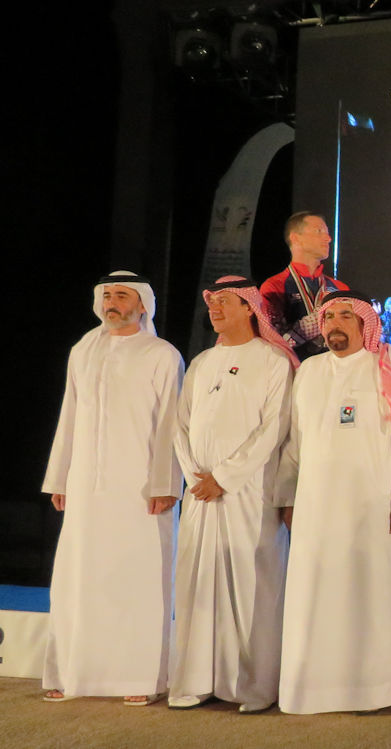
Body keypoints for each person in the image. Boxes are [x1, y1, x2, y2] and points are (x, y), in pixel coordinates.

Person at [276, 289, 391, 715]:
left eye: (346, 315)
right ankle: (313, 687)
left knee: (369, 595)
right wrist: (287, 498)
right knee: (314, 595)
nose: (335, 324)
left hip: (371, 508)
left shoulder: (388, 369)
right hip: (315, 509)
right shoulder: (309, 371)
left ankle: (372, 689)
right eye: (329, 317)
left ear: (365, 324)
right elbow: (295, 443)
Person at [41, 271, 183, 705]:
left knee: (137, 578)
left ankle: (138, 679)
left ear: (143, 304)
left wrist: (166, 482)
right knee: (78, 576)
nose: (112, 302)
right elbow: (70, 415)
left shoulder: (162, 354)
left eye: (122, 294)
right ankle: (73, 671)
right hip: (86, 483)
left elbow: (171, 426)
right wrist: (60, 476)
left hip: (140, 487)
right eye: (106, 295)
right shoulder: (83, 350)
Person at [169, 276, 297, 714]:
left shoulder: (273, 362)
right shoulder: (202, 361)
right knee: (197, 585)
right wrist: (195, 475)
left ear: (249, 308)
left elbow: (274, 428)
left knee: (251, 585)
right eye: (212, 303)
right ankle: (195, 682)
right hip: (201, 493)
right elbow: (180, 425)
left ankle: (254, 687)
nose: (216, 309)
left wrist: (224, 476)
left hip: (249, 491)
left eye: (225, 302)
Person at [260, 211, 349, 361]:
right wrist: (321, 313)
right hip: (296, 376)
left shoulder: (340, 288)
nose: (328, 239)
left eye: (327, 233)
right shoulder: (275, 287)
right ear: (295, 238)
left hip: (336, 375)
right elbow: (275, 344)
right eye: (319, 231)